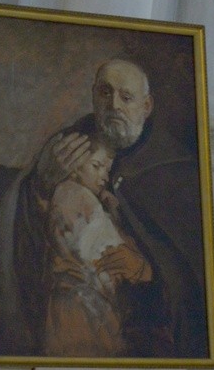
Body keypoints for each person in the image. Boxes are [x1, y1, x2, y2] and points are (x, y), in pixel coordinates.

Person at [0, 59, 209, 358]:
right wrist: (41, 187)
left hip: (138, 327)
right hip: (71, 306)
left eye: (126, 97)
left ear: (146, 106)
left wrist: (145, 270)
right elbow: (21, 229)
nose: (114, 105)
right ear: (94, 95)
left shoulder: (174, 169)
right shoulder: (69, 144)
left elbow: (189, 278)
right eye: (105, 93)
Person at [44, 134, 134, 356]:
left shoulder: (70, 193)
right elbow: (96, 249)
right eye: (97, 166)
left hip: (75, 298)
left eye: (107, 170)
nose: (104, 176)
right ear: (74, 167)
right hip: (83, 300)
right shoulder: (77, 195)